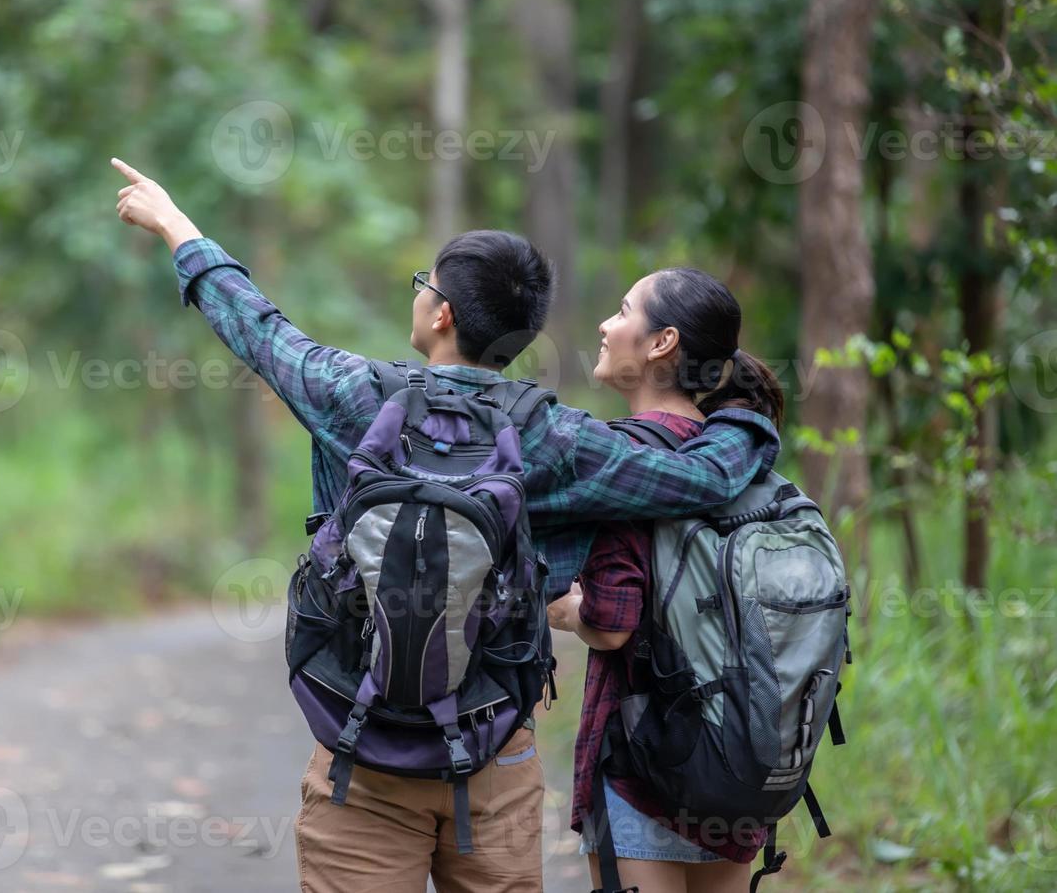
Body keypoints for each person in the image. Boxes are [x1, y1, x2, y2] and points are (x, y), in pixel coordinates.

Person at [110, 157, 780, 893]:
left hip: (358, 757)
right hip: (494, 758)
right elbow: (700, 476)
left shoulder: (354, 396)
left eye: (424, 284)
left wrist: (176, 226)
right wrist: (746, 417)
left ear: (442, 314)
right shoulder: (555, 439)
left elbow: (258, 329)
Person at [550, 267, 784, 893]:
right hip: (736, 753)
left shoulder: (628, 460)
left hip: (643, 762)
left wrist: (566, 608)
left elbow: (612, 625)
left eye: (623, 310)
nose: (605, 324)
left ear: (662, 343)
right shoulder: (737, 453)